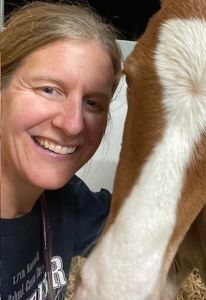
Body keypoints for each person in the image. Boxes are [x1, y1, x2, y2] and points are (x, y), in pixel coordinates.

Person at [0, 1, 122, 299]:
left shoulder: (66, 202)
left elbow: (134, 226)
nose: (72, 125)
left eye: (92, 102)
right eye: (49, 89)